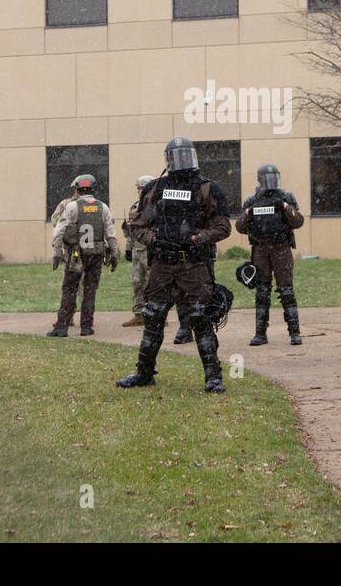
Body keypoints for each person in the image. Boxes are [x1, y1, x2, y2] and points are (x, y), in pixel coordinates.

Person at [118, 136, 231, 393]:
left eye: (185, 155)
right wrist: (154, 240)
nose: (181, 161)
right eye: (176, 156)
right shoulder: (156, 189)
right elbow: (138, 225)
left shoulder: (208, 188)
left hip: (193, 265)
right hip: (162, 265)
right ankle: (144, 373)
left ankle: (213, 378)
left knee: (201, 319)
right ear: (168, 160)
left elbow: (223, 227)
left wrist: (199, 237)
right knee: (153, 317)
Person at [235, 163, 305, 345]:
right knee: (262, 291)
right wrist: (249, 212)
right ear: (259, 179)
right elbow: (240, 227)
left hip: (281, 248)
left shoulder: (286, 197)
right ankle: (260, 333)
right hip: (260, 250)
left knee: (286, 290)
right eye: (267, 177)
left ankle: (294, 333)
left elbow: (298, 221)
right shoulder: (252, 200)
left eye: (273, 177)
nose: (270, 181)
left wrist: (284, 206)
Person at [48, 175, 117, 337]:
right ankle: (86, 327)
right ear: (93, 189)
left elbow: (59, 231)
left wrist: (57, 252)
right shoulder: (103, 207)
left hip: (77, 255)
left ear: (77, 189)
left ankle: (62, 327)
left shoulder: (72, 207)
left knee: (69, 289)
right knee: (90, 290)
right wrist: (114, 252)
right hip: (97, 254)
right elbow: (110, 233)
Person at [121, 175, 156, 327]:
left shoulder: (157, 205)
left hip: (150, 250)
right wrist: (128, 248)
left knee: (152, 283)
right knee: (137, 282)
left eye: (140, 187)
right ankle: (138, 314)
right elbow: (132, 231)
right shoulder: (135, 206)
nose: (138, 190)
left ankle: (156, 313)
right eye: (138, 188)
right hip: (137, 251)